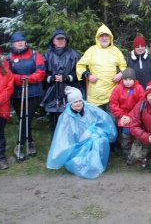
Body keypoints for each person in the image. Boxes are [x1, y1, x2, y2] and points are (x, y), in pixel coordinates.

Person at [76, 24, 127, 155]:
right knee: (97, 121)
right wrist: (87, 75)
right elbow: (80, 66)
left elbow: (123, 65)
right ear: (97, 38)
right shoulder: (91, 50)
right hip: (95, 94)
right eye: (101, 36)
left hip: (112, 93)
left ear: (110, 37)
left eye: (106, 36)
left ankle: (114, 145)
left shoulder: (115, 50)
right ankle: (100, 147)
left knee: (112, 120)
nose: (104, 38)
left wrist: (121, 74)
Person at [46, 86, 118, 179]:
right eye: (75, 102)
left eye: (80, 101)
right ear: (70, 103)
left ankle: (97, 165)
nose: (78, 104)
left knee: (100, 140)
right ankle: (91, 166)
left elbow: (103, 119)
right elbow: (63, 137)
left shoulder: (89, 108)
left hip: (93, 135)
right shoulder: (65, 117)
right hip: (77, 143)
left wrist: (100, 132)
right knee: (89, 147)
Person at [5, 32, 46, 160]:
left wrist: (28, 79)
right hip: (17, 93)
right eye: (17, 41)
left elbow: (41, 71)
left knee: (27, 118)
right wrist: (20, 79)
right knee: (22, 118)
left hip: (33, 92)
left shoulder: (34, 54)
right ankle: (30, 142)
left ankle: (20, 144)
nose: (20, 42)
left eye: (22, 40)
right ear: (13, 43)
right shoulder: (9, 57)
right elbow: (7, 75)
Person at [40, 29, 81, 138]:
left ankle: (70, 141)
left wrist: (67, 77)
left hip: (69, 91)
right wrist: (51, 78)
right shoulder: (47, 55)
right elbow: (41, 72)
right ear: (53, 41)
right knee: (53, 119)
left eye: (63, 39)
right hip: (52, 91)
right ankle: (55, 142)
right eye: (58, 39)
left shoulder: (73, 54)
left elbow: (80, 72)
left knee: (70, 117)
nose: (61, 41)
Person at [109, 68, 145, 165]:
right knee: (126, 132)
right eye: (125, 79)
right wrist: (122, 115)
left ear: (134, 79)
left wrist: (130, 116)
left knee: (134, 131)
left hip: (135, 115)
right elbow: (113, 104)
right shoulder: (118, 89)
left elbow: (141, 104)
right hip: (122, 115)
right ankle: (126, 154)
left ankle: (138, 152)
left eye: (130, 79)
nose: (128, 82)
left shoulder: (139, 88)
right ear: (122, 80)